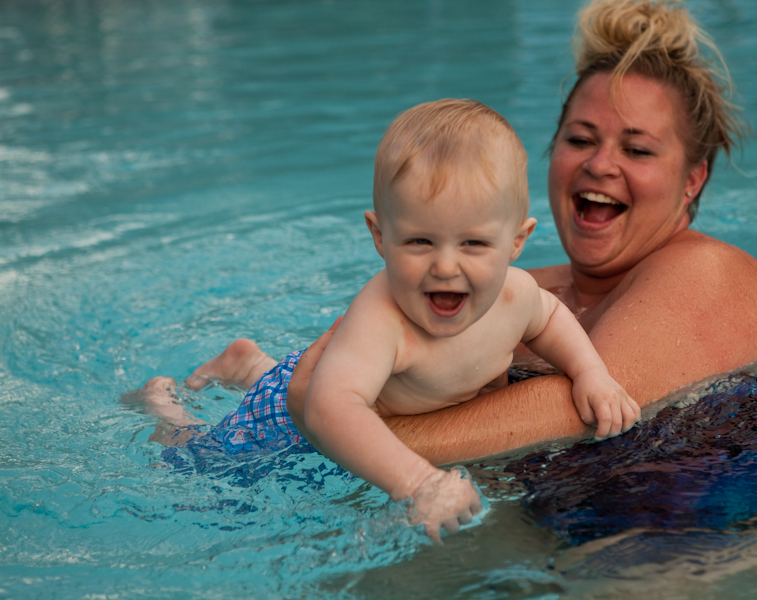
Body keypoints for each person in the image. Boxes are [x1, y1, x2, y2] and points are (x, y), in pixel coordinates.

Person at [142, 0, 757, 511]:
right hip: (597, 514)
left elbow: (577, 410)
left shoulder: (707, 272)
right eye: (580, 138)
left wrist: (334, 435)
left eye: (637, 149)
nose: (601, 165)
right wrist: (315, 406)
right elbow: (341, 363)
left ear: (694, 178)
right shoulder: (513, 286)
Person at [142, 98, 640, 541]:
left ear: (517, 241)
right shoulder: (383, 317)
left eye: (474, 243)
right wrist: (419, 483)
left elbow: (550, 318)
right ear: (379, 236)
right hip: (286, 419)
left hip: (327, 372)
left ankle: (250, 364)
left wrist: (590, 372)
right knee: (200, 463)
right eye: (419, 241)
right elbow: (329, 407)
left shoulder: (517, 294)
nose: (446, 266)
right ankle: (166, 410)